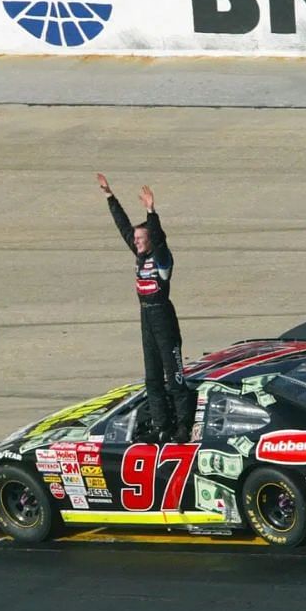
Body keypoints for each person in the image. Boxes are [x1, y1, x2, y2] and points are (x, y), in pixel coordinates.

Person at [97, 173, 194, 443]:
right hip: (146, 316)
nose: (136, 242)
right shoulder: (139, 252)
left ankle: (183, 426)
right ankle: (162, 425)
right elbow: (124, 227)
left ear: (150, 239)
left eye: (141, 239)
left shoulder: (162, 257)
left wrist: (151, 212)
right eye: (136, 240)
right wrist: (110, 196)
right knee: (152, 375)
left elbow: (160, 239)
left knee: (173, 375)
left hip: (163, 315)